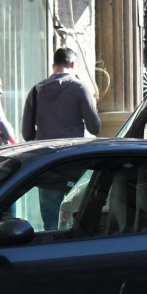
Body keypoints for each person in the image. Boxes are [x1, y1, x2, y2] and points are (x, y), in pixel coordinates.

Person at [22, 48, 101, 228]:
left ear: (53, 65)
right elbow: (94, 128)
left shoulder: (35, 91)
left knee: (50, 225)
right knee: (76, 220)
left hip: (46, 166)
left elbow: (27, 134)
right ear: (72, 64)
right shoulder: (80, 88)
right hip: (74, 163)